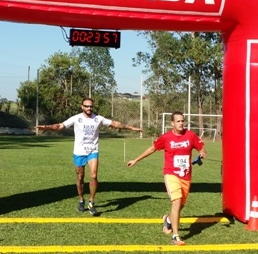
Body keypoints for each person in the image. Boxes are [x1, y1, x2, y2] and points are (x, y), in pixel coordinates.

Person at [37, 97, 142, 215]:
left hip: (92, 151)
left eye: (91, 106)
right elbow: (60, 126)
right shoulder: (76, 118)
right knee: (80, 177)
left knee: (93, 176)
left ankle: (91, 202)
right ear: (82, 107)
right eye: (86, 106)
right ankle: (81, 199)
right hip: (79, 152)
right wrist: (47, 127)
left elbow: (114, 124)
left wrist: (131, 127)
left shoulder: (98, 119)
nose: (89, 108)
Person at [127, 111, 206, 245]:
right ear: (172, 123)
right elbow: (152, 149)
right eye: (178, 121)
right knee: (176, 201)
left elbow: (201, 148)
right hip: (171, 174)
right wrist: (136, 160)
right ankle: (175, 236)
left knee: (180, 205)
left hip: (186, 176)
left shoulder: (190, 135)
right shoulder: (166, 137)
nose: (181, 123)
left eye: (182, 121)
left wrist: (202, 153)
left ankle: (168, 220)